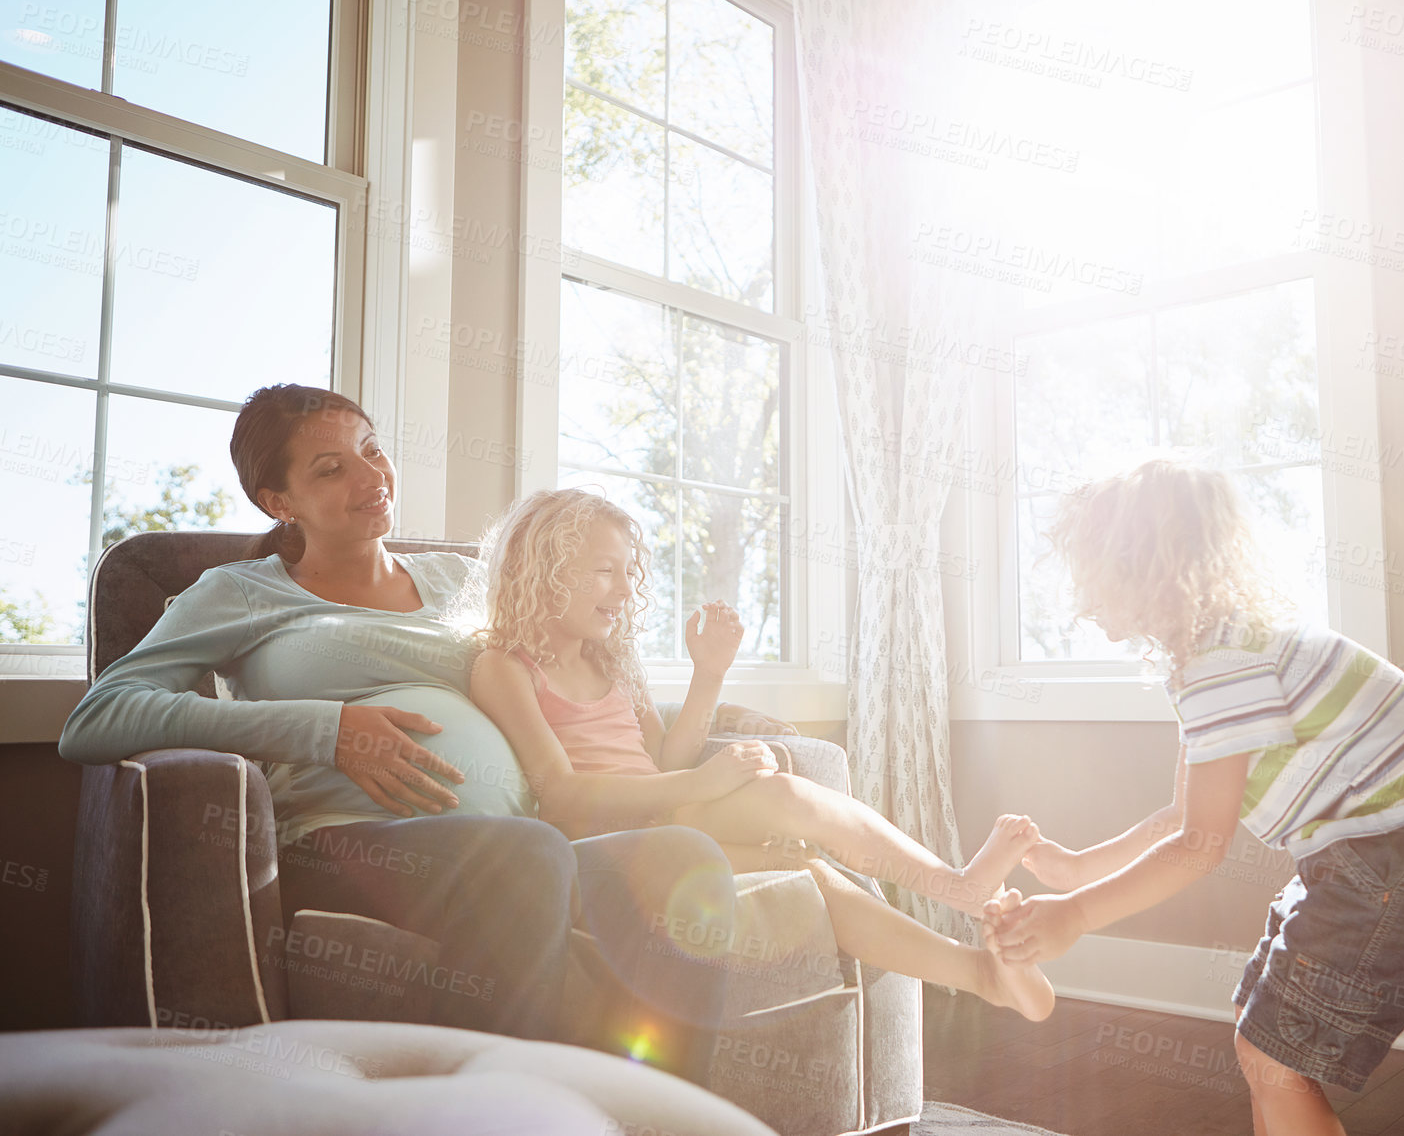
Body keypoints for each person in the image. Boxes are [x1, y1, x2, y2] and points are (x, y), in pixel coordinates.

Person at [58, 384, 736, 1080]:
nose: (370, 476)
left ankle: (666, 1117)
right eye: (331, 468)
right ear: (278, 502)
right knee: (523, 857)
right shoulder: (239, 592)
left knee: (681, 853)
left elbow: (570, 663)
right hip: (342, 842)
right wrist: (326, 729)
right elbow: (100, 718)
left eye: (372, 451)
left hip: (528, 837)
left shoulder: (464, 581)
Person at [985, 458, 1404, 1135]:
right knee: (1260, 1030)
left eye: (1091, 566)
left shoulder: (1220, 666)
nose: (1081, 589)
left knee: (1272, 1055)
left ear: (1142, 566)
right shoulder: (1222, 653)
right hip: (1378, 858)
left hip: (1397, 860)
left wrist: (1075, 914)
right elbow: (1183, 816)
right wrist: (1079, 868)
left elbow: (1201, 846)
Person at [461, 486, 1057, 1021]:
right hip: (604, 842)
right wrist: (702, 785)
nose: (624, 589)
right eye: (604, 571)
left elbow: (667, 762)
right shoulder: (505, 668)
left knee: (808, 873)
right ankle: (957, 889)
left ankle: (979, 971)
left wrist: (709, 675)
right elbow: (561, 794)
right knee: (782, 800)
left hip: (670, 820)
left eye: (626, 572)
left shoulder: (612, 662)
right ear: (545, 573)